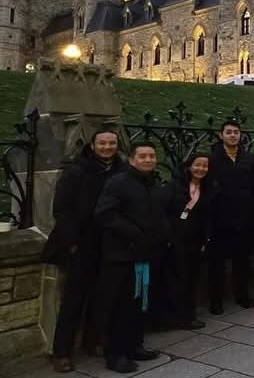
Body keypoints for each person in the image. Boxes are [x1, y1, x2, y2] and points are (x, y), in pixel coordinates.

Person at [43, 130, 126, 373]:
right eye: (102, 143)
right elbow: (62, 209)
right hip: (81, 243)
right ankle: (61, 352)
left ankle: (93, 340)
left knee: (102, 297)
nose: (107, 147)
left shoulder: (121, 171)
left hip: (110, 244)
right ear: (92, 145)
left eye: (112, 143)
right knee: (73, 300)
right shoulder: (76, 171)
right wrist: (72, 243)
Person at [94, 142, 169, 374]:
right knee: (119, 306)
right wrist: (135, 233)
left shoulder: (154, 184)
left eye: (152, 156)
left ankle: (135, 345)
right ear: (132, 159)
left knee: (139, 303)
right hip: (121, 256)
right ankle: (115, 354)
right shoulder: (118, 182)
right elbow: (104, 214)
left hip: (145, 254)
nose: (148, 160)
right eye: (143, 156)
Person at [208, 120, 254, 313]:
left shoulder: (248, 158)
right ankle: (216, 299)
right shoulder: (213, 159)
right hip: (221, 217)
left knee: (242, 260)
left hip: (244, 217)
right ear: (221, 135)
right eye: (228, 132)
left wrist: (251, 208)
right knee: (217, 262)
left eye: (236, 132)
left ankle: (242, 294)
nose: (232, 135)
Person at [167, 153, 217, 330]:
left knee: (191, 278)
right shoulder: (175, 185)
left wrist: (206, 238)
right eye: (198, 165)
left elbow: (209, 217)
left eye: (205, 166)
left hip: (196, 239)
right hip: (175, 239)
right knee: (177, 278)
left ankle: (187, 315)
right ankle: (175, 315)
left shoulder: (208, 187)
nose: (201, 169)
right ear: (189, 166)